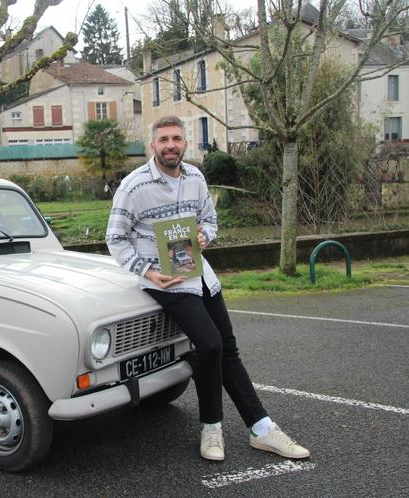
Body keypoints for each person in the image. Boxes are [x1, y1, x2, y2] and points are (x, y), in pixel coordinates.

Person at [106, 115, 310, 462]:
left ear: (185, 143)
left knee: (227, 348)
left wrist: (204, 237)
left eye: (177, 139)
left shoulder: (196, 177)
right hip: (167, 283)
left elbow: (210, 222)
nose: (171, 145)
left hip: (201, 276)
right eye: (164, 139)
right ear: (152, 146)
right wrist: (150, 274)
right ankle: (211, 428)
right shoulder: (134, 186)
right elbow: (114, 238)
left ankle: (262, 429)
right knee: (211, 345)